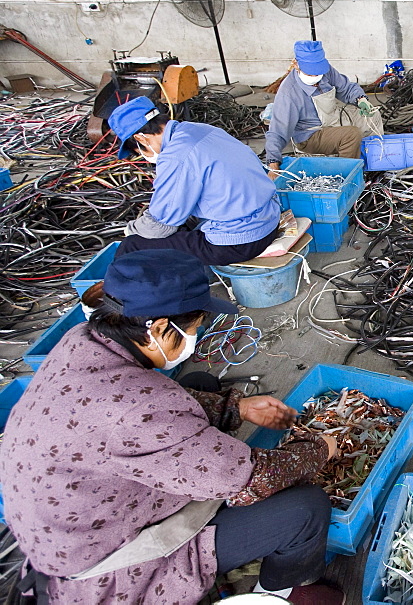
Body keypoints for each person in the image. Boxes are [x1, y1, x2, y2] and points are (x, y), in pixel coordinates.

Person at [0, 250, 344, 604]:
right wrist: (319, 450)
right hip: (107, 566)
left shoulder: (82, 338)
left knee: (198, 383)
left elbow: (161, 408)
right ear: (159, 329)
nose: (196, 335)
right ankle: (281, 590)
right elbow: (252, 479)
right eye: (194, 328)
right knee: (307, 509)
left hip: (66, 522)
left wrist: (236, 407)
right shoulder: (139, 410)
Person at [108, 96, 281, 266]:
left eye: (138, 151)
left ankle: (118, 292)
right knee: (183, 225)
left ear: (141, 138)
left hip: (241, 242)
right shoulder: (198, 129)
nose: (142, 156)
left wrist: (131, 230)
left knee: (132, 246)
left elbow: (160, 225)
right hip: (270, 219)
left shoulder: (176, 156)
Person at [264, 40, 374, 171]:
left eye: (318, 73)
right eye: (310, 73)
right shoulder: (288, 93)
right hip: (311, 134)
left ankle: (372, 162)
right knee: (351, 135)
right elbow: (278, 131)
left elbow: (346, 88)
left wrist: (361, 99)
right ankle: (346, 176)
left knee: (373, 117)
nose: (316, 77)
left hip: (331, 118)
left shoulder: (326, 71)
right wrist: (273, 164)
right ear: (297, 65)